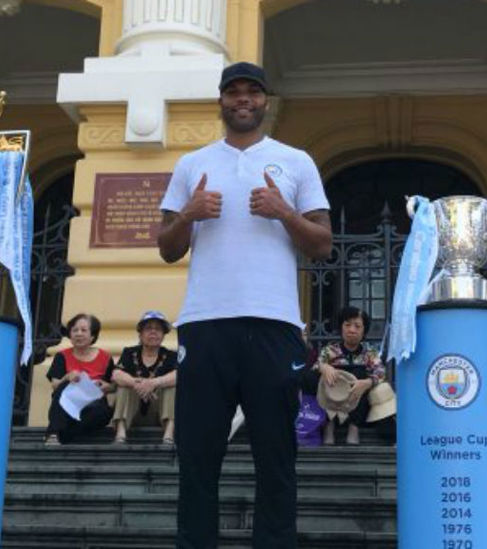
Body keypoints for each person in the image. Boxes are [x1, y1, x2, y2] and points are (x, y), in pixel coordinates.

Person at [157, 61, 332, 548]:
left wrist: (283, 212)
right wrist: (188, 215)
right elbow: (168, 247)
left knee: (276, 457)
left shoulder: (296, 161)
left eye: (251, 92)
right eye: (232, 92)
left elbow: (322, 244)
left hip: (274, 324)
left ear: (265, 102)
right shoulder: (193, 163)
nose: (242, 100)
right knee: (198, 458)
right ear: (221, 101)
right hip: (205, 324)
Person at [308, 306, 386, 445]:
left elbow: (380, 373)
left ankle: (353, 427)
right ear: (341, 327)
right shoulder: (331, 350)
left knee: (361, 376)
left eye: (357, 326)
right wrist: (324, 367)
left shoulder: (369, 352)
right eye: (347, 325)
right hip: (331, 400)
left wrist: (367, 382)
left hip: (356, 405)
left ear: (364, 330)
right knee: (316, 378)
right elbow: (315, 367)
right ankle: (328, 425)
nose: (352, 330)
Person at [45, 313, 115, 445]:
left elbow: (113, 386)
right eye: (75, 330)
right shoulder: (62, 356)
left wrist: (106, 386)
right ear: (70, 335)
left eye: (84, 330)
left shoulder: (105, 357)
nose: (78, 334)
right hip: (68, 403)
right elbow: (55, 385)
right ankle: (53, 433)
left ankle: (64, 435)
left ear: (92, 336)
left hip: (93, 405)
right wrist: (67, 377)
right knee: (63, 387)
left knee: (105, 411)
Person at [111, 310, 178, 445]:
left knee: (171, 387)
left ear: (163, 335)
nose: (153, 332)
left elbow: (179, 376)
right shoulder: (129, 352)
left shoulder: (171, 355)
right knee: (124, 386)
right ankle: (120, 433)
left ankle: (169, 433)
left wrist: (154, 383)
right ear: (140, 334)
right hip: (133, 412)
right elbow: (116, 375)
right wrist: (137, 384)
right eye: (148, 328)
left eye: (158, 329)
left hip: (158, 411)